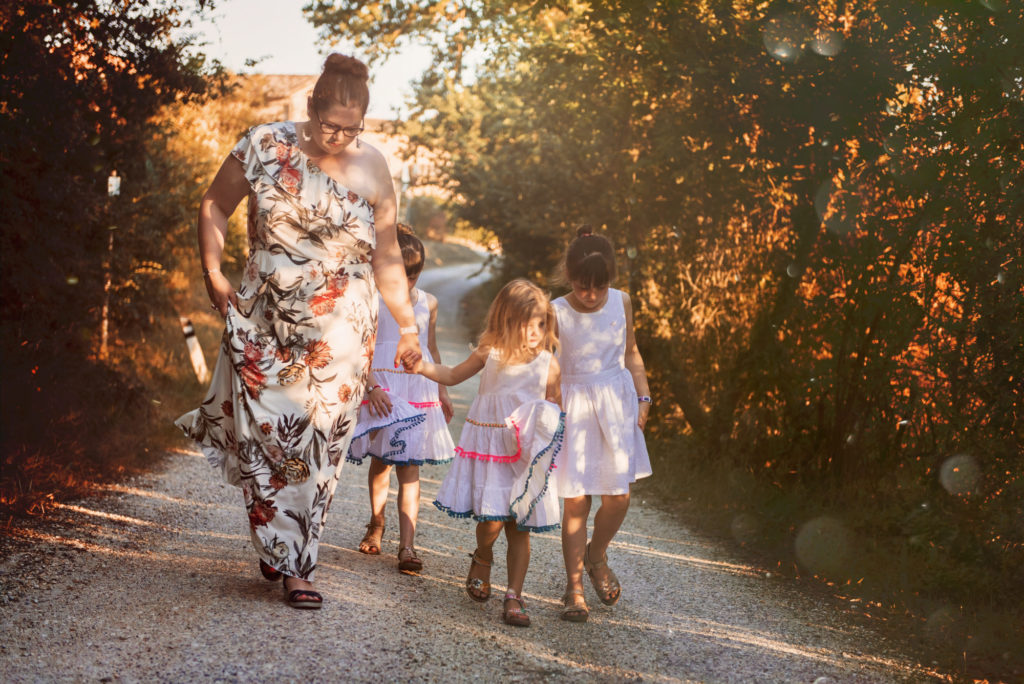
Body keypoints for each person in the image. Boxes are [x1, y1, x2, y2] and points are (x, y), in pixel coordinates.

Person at [174, 53, 422, 610]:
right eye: (332, 124)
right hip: (266, 319)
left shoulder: (375, 167)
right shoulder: (264, 145)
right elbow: (214, 204)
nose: (341, 136)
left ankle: (296, 564)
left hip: (342, 334)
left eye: (353, 128)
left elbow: (386, 257)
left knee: (320, 445)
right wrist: (212, 271)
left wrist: (407, 326)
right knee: (270, 435)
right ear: (310, 107)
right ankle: (276, 533)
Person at [409, 279, 563, 628]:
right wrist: (421, 367)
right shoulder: (489, 353)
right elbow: (450, 374)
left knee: (519, 527)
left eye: (542, 324)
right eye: (528, 324)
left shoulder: (548, 364)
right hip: (491, 451)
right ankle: (483, 554)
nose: (536, 332)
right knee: (491, 521)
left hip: (524, 458)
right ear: (507, 321)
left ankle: (514, 595)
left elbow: (556, 408)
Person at [552, 226, 652, 622]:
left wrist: (644, 397)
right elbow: (549, 367)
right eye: (581, 285)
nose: (591, 294)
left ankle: (596, 555)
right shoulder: (557, 310)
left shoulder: (623, 302)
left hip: (615, 402)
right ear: (569, 275)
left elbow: (631, 352)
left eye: (599, 286)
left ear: (610, 278)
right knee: (576, 500)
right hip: (574, 405)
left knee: (619, 497)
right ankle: (574, 587)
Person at [347, 223, 455, 573]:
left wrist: (442, 390)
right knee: (381, 463)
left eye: (414, 275)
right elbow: (360, 349)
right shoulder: (373, 300)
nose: (407, 282)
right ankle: (376, 524)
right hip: (383, 390)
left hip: (417, 391)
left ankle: (407, 546)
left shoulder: (429, 304)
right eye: (400, 274)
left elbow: (431, 349)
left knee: (411, 467)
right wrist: (371, 388)